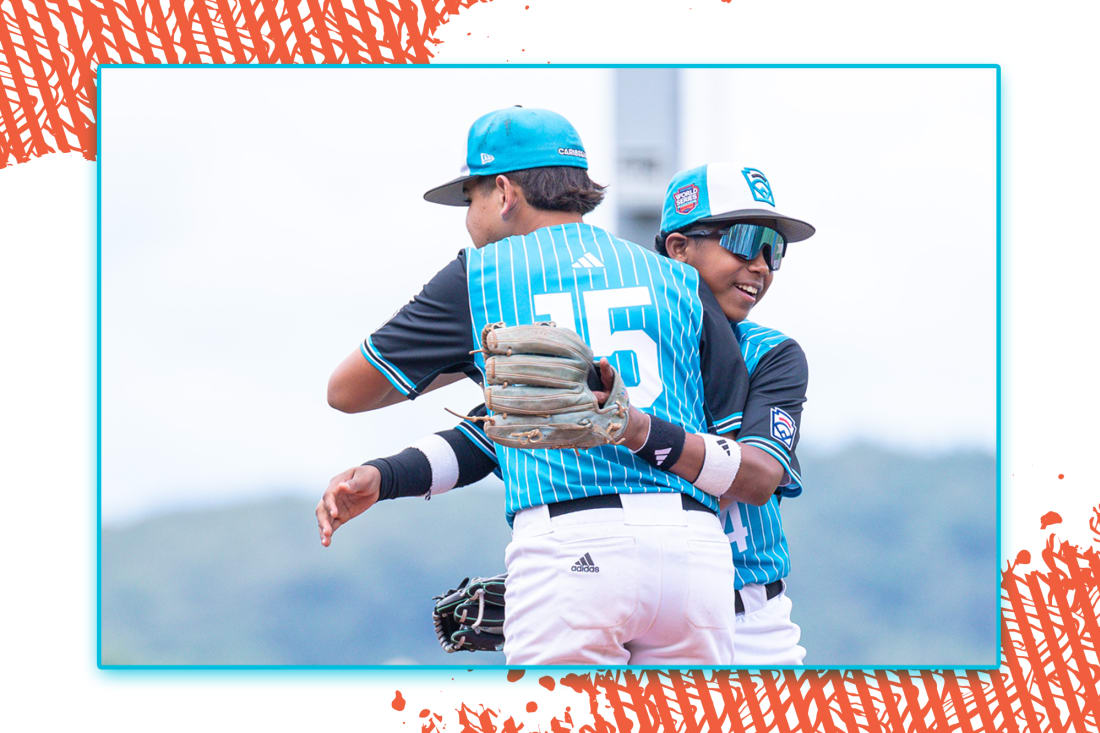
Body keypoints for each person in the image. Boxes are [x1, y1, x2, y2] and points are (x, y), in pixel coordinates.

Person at [319, 160, 815, 665]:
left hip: (750, 616)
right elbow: (490, 435)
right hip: (658, 593)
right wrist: (386, 476)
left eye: (774, 250)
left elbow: (757, 477)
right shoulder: (613, 341)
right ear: (678, 248)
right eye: (745, 241)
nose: (761, 265)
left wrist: (637, 431)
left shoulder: (769, 354)